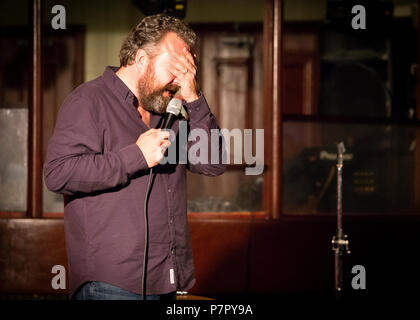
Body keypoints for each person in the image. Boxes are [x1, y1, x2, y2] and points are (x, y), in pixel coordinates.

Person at [44, 14, 226, 300]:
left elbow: (212, 163)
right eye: (175, 68)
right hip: (111, 283)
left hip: (167, 277)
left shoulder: (169, 109)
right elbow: (58, 173)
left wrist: (193, 96)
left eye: (187, 69)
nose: (179, 79)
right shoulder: (88, 101)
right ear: (142, 59)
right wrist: (136, 156)